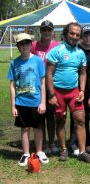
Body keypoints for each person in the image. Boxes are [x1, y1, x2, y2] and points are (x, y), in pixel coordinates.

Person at [46, 22, 90, 163]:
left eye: (77, 35)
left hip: (74, 92)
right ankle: (63, 149)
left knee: (80, 120)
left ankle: (82, 151)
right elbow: (49, 74)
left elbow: (83, 73)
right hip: (58, 93)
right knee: (60, 121)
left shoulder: (80, 53)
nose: (74, 36)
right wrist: (52, 95)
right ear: (66, 33)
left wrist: (82, 91)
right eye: (71, 33)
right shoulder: (57, 50)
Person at [8, 33, 49, 166]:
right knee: (24, 128)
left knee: (38, 128)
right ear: (18, 46)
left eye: (27, 43)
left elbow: (43, 83)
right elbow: (12, 85)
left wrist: (43, 102)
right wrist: (13, 105)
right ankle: (25, 153)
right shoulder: (14, 63)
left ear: (31, 44)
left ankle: (39, 151)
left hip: (36, 102)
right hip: (21, 102)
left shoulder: (38, 61)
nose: (24, 46)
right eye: (21, 44)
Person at [31, 20, 60, 155]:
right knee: (39, 115)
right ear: (40, 31)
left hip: (52, 86)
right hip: (37, 86)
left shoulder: (57, 46)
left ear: (52, 31)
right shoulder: (33, 46)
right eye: (44, 30)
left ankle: (52, 143)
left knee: (51, 116)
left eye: (49, 30)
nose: (47, 32)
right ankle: (41, 144)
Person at [69, 25, 90, 155]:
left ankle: (87, 141)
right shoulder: (77, 49)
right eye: (85, 35)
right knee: (75, 116)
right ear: (81, 37)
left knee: (86, 116)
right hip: (77, 88)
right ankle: (73, 142)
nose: (88, 37)